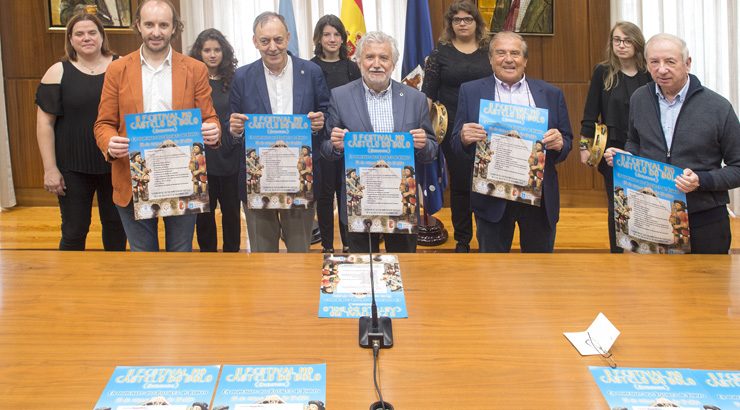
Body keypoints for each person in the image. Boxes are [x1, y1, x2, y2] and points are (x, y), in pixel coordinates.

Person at [94, 0, 221, 252]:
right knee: (144, 260)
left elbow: (210, 117)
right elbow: (104, 123)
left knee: (180, 252)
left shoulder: (195, 69)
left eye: (163, 25)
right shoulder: (117, 69)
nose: (156, 32)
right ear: (138, 26)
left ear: (174, 28)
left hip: (182, 179)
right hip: (133, 178)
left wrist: (213, 130)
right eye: (149, 24)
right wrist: (109, 142)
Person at [604, 33, 740, 254]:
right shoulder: (640, 99)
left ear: (687, 64)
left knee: (705, 288)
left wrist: (701, 180)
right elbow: (634, 142)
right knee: (653, 288)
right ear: (647, 65)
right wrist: (627, 159)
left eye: (670, 61)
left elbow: (738, 167)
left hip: (705, 220)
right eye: (654, 62)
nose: (662, 69)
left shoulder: (718, 107)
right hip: (651, 218)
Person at [451, 31, 572, 253]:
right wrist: (462, 138)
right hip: (491, 198)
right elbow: (456, 146)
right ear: (490, 59)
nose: (508, 59)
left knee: (540, 272)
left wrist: (560, 143)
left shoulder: (551, 94)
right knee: (493, 274)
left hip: (539, 199)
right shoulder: (471, 92)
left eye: (515, 53)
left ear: (525, 60)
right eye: (501, 53)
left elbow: (567, 143)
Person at [323, 31, 438, 253]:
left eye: (383, 58)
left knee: (404, 271)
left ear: (393, 63)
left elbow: (431, 151)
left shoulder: (416, 99)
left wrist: (424, 144)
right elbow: (327, 151)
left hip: (402, 203)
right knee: (362, 275)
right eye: (370, 57)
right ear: (358, 62)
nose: (376, 64)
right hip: (360, 203)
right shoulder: (340, 96)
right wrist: (335, 145)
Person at [229, 11, 330, 253]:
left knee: (299, 254)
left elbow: (326, 113)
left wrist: (320, 122)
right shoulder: (242, 76)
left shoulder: (311, 71)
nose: (272, 47)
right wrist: (234, 129)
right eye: (265, 41)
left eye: (278, 40)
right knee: (264, 258)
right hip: (258, 179)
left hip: (300, 176)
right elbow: (232, 126)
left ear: (288, 37)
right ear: (255, 41)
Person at [35, 12, 126, 251]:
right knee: (74, 230)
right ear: (71, 39)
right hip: (72, 167)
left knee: (116, 227)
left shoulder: (122, 65)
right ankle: (67, 285)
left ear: (102, 36)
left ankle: (117, 283)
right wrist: (50, 169)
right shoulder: (57, 71)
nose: (86, 38)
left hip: (116, 163)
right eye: (79, 34)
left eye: (92, 32)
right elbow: (44, 125)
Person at [422, 0, 492, 253]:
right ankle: (463, 240)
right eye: (457, 20)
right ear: (450, 24)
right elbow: (427, 93)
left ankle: (489, 238)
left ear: (477, 23)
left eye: (468, 19)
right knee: (462, 185)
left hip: (489, 128)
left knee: (487, 183)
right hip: (453, 129)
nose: (462, 24)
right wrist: (421, 126)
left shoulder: (490, 51)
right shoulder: (439, 53)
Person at [580, 21, 651, 253]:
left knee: (644, 201)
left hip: (645, 149)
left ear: (637, 43)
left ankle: (647, 249)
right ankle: (618, 253)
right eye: (616, 40)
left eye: (627, 40)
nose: (621, 45)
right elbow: (590, 111)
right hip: (612, 151)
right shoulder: (603, 71)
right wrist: (584, 146)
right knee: (618, 205)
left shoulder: (648, 72)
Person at [310, 14, 361, 254]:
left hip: (347, 138)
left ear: (343, 38)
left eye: (337, 34)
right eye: (327, 34)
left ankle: (349, 241)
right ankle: (327, 245)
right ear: (318, 38)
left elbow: (359, 101)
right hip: (320, 138)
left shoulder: (352, 67)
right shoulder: (309, 67)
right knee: (324, 193)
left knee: (347, 189)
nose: (332, 39)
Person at [188, 28, 241, 252]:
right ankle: (207, 256)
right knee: (204, 215)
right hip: (202, 158)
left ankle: (232, 254)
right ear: (198, 52)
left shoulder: (236, 79)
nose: (212, 55)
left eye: (217, 50)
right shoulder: (189, 80)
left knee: (231, 212)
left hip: (230, 155)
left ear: (224, 52)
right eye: (207, 50)